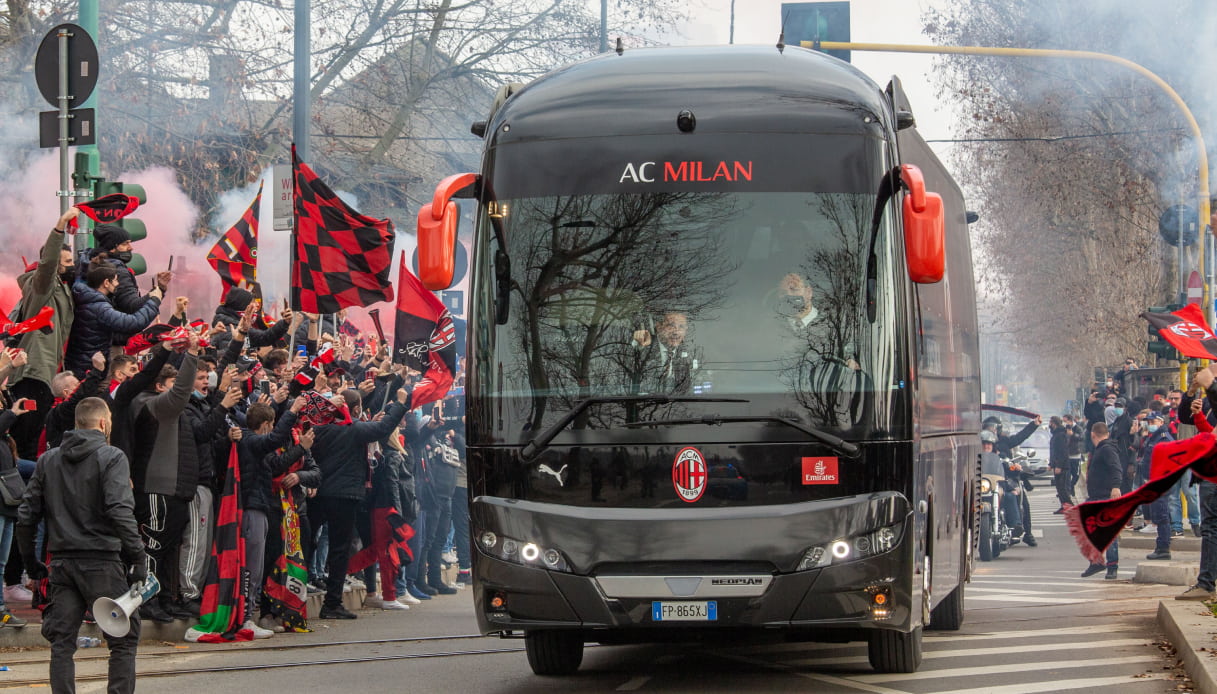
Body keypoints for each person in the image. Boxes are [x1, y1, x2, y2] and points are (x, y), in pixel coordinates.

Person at [16, 397, 148, 694]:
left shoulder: (48, 460)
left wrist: (30, 562)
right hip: (101, 560)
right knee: (124, 639)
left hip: (62, 561)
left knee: (61, 642)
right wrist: (138, 556)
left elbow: (26, 515)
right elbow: (119, 509)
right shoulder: (112, 456)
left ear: (77, 423)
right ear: (103, 423)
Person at [7, 208, 79, 460]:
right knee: (26, 438)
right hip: (32, 375)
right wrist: (60, 226)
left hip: (44, 374)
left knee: (33, 434)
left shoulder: (60, 286)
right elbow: (48, 264)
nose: (73, 267)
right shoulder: (41, 285)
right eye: (68, 262)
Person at [64, 263, 163, 378]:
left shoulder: (89, 299)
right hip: (89, 369)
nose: (118, 284)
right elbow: (134, 323)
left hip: (85, 364)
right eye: (115, 280)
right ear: (106, 283)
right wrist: (154, 301)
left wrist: (151, 297)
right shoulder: (99, 307)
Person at [1081, 422, 1123, 579]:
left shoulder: (1107, 449)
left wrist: (1116, 486)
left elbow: (1116, 468)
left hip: (1105, 496)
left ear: (1093, 434)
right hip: (1096, 496)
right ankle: (1096, 561)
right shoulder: (1102, 448)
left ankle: (1111, 566)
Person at [631, 311, 701, 394]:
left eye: (681, 327)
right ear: (659, 327)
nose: (676, 332)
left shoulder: (691, 352)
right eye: (671, 326)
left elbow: (691, 388)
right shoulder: (644, 345)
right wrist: (637, 344)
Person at [1141, 411, 1175, 560]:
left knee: (1161, 515)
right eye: (1149, 422)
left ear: (1161, 422)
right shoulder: (1153, 438)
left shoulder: (1163, 438)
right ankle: (1161, 546)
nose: (1150, 424)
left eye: (1153, 421)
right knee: (1158, 514)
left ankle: (1163, 548)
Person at [1049, 416, 1072, 513]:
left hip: (1061, 466)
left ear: (1054, 423)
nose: (1049, 425)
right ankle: (1064, 506)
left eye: (1050, 422)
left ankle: (1069, 506)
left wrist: (1059, 466)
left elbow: (1062, 452)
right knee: (1059, 487)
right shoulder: (1056, 434)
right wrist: (1051, 464)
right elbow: (1054, 451)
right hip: (1057, 464)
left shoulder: (1060, 435)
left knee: (1062, 488)